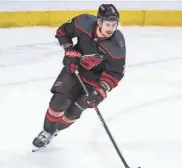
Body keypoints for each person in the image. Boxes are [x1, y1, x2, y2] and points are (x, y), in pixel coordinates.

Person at [32, 4, 126, 149]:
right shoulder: (84, 23)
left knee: (73, 112)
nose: (110, 29)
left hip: (94, 82)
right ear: (99, 21)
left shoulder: (117, 43)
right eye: (108, 24)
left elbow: (116, 72)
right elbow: (62, 31)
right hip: (74, 70)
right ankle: (47, 131)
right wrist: (69, 49)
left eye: (114, 25)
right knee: (58, 103)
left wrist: (102, 89)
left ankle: (56, 130)